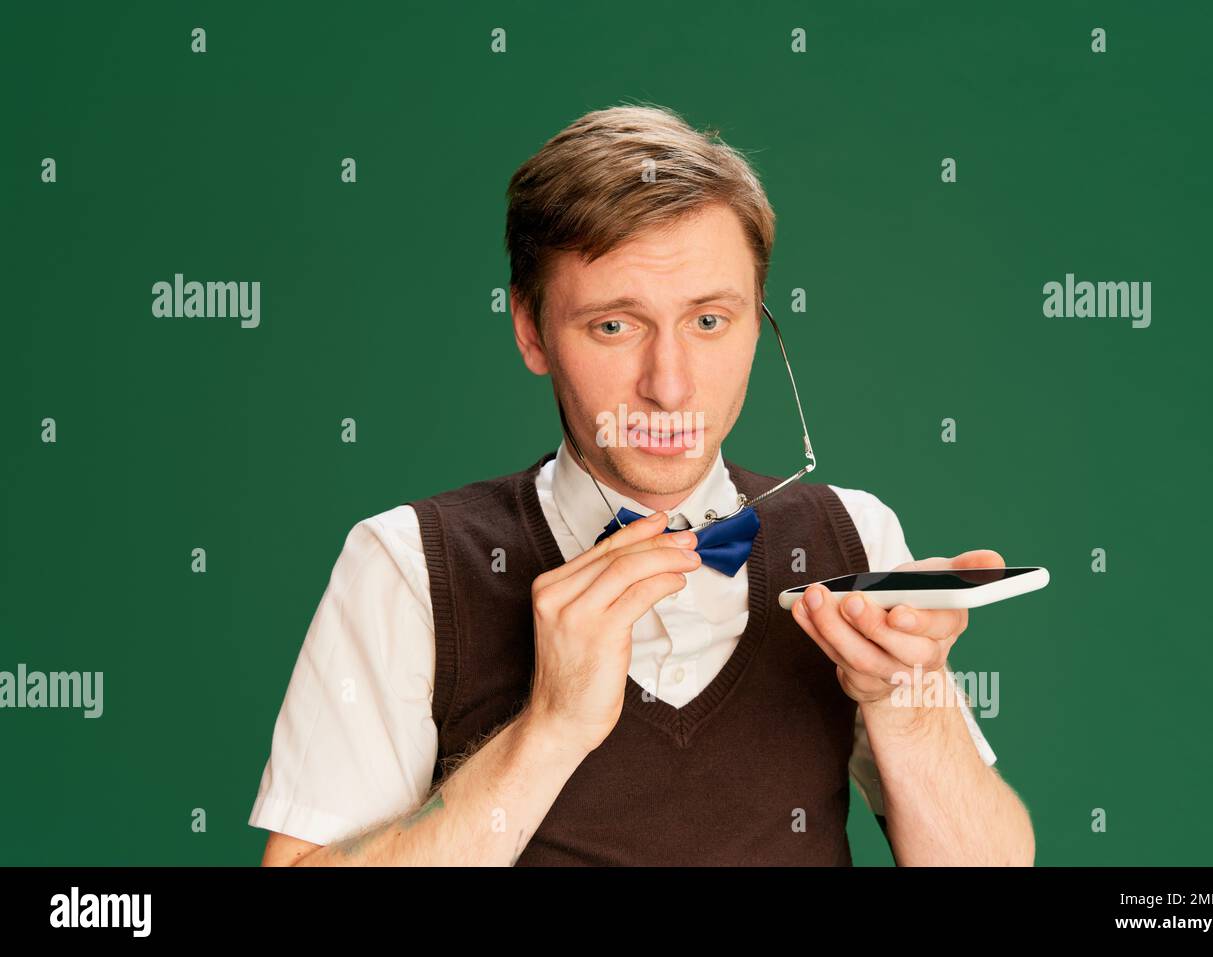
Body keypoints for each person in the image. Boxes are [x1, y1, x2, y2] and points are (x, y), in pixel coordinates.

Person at [249, 103, 1035, 866]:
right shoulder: (405, 563)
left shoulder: (853, 535)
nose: (669, 386)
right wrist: (548, 728)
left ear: (759, 323)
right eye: (614, 325)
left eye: (708, 321)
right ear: (530, 329)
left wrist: (908, 698)